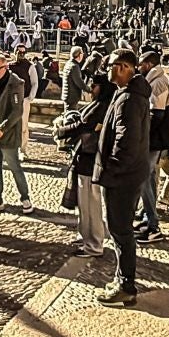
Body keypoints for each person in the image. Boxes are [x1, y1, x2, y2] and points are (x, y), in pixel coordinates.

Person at [94, 49, 152, 304]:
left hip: (123, 177)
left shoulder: (130, 99)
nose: (106, 69)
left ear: (123, 67)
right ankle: (121, 278)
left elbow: (125, 143)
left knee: (120, 230)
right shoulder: (128, 94)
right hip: (129, 173)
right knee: (120, 228)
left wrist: (111, 171)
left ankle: (126, 285)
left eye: (109, 64)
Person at [57, 73, 109, 258]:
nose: (91, 89)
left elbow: (83, 126)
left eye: (94, 86)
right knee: (85, 204)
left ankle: (94, 244)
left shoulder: (102, 106)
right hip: (85, 159)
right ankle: (86, 237)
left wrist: (61, 131)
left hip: (91, 159)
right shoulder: (99, 104)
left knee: (91, 204)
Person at [0, 52, 32, 211]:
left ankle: (25, 199)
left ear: (5, 67)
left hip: (7, 133)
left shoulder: (15, 84)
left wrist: (2, 128)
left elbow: (16, 112)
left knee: (14, 166)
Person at [140, 50, 169, 241]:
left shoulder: (158, 83)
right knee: (150, 177)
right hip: (156, 138)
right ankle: (147, 215)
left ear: (148, 64)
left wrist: (142, 133)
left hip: (155, 138)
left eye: (141, 64)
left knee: (145, 178)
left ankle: (152, 224)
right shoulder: (156, 81)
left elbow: (157, 114)